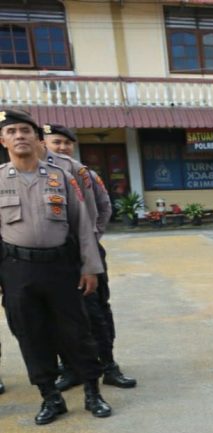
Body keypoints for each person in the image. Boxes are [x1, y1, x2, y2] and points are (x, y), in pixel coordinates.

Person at [0, 109, 111, 424]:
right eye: (12, 131)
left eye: (26, 130)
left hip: (61, 267)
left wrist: (89, 267)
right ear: (3, 140)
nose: (20, 136)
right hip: (17, 269)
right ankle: (50, 397)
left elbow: (83, 224)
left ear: (37, 139)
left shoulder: (61, 177)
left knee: (77, 331)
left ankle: (93, 393)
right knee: (30, 334)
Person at [42, 124, 136, 390]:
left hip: (86, 252)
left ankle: (109, 366)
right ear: (43, 143)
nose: (62, 147)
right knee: (58, 313)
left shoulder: (83, 173)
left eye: (66, 143)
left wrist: (92, 238)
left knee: (97, 312)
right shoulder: (39, 174)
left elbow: (105, 206)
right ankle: (71, 369)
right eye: (56, 142)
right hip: (51, 257)